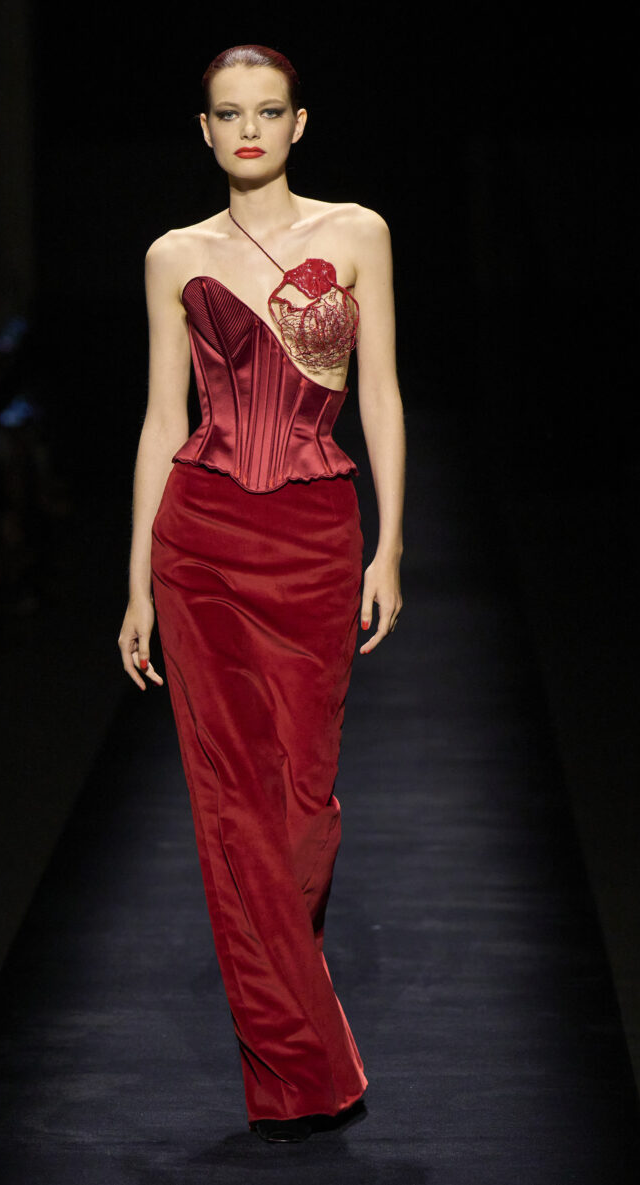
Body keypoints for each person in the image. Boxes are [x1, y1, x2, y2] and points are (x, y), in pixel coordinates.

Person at [118, 44, 405, 1143]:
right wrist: (138, 583)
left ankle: (294, 998)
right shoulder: (172, 254)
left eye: (268, 111)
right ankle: (298, 1065)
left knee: (304, 801)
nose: (249, 129)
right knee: (231, 800)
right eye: (229, 114)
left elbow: (380, 394)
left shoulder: (359, 233)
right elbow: (163, 417)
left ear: (298, 123)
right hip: (200, 542)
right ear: (204, 130)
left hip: (318, 535)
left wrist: (391, 546)